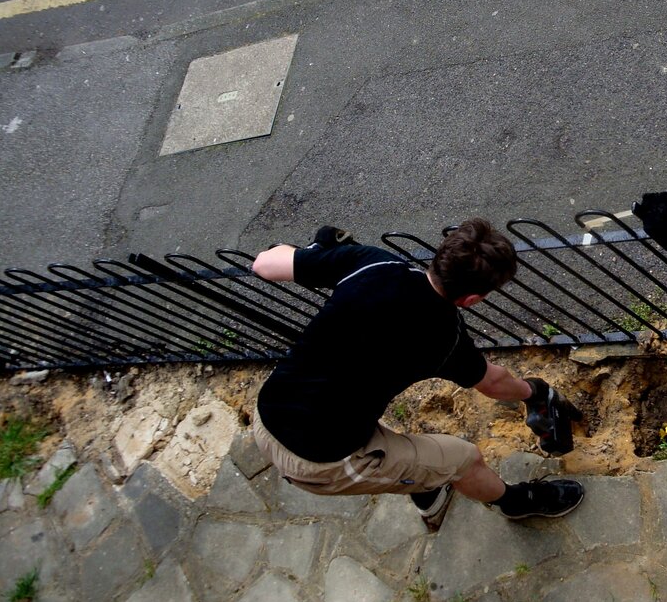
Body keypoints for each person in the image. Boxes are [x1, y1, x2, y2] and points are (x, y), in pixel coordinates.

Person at [249, 218, 584, 529]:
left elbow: (264, 264)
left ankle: (427, 487)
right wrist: (534, 391)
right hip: (322, 459)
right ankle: (515, 502)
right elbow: (493, 383)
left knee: (403, 443)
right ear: (471, 299)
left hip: (269, 412)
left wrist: (319, 253)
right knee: (465, 459)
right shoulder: (444, 337)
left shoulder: (372, 263)